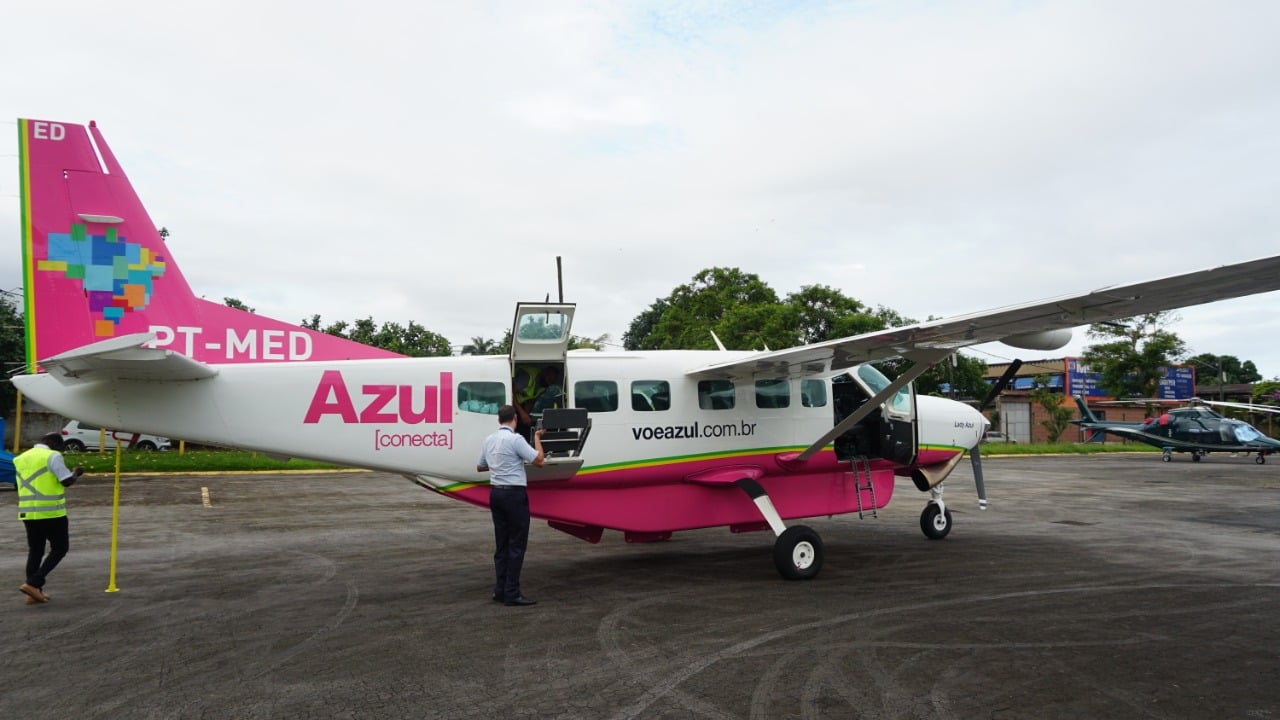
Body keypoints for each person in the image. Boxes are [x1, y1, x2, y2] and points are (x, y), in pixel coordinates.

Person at [476, 405, 545, 607]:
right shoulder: (516, 439)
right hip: (514, 494)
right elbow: (539, 461)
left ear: (499, 420)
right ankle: (512, 592)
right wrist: (538, 438)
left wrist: (499, 462)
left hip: (496, 493)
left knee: (502, 544)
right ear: (515, 418)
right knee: (517, 544)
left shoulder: (489, 440)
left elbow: (480, 466)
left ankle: (500, 589)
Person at [15, 432, 84, 605]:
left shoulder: (21, 458)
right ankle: (32, 583)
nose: (61, 450)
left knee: (36, 550)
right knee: (60, 548)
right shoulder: (52, 456)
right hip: (51, 513)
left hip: (28, 512)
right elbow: (66, 481)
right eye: (61, 446)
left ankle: (33, 594)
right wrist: (76, 473)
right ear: (53, 443)